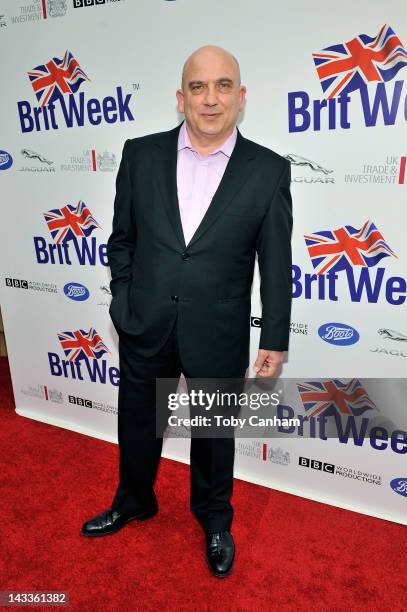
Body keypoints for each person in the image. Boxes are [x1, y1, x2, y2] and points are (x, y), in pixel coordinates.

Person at [81, 45, 292, 578]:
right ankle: (133, 500)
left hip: (217, 330)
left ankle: (214, 519)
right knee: (137, 422)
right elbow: (122, 240)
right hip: (144, 321)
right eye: (198, 87)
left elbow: (275, 262)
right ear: (181, 98)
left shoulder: (268, 170)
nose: (210, 98)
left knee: (214, 436)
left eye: (223, 86)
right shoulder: (140, 154)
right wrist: (123, 300)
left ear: (241, 98)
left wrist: (274, 337)